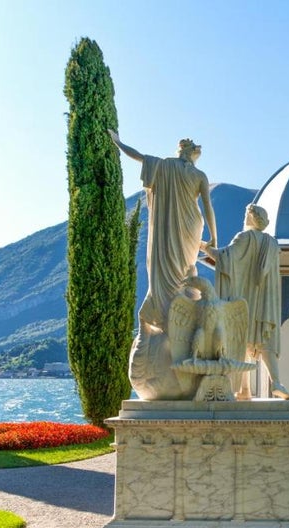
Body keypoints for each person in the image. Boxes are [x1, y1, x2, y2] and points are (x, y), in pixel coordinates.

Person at [109, 130, 218, 399]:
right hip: (192, 228)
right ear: (192, 154)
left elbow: (139, 157)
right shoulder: (198, 175)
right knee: (187, 274)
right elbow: (207, 208)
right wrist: (213, 238)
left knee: (172, 273)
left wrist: (119, 142)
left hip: (170, 230)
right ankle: (176, 323)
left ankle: (168, 321)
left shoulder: (164, 166)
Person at [204, 204, 289, 400]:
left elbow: (224, 258)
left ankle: (245, 389)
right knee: (264, 339)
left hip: (246, 300)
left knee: (241, 340)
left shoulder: (244, 237)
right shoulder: (272, 243)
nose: (244, 218)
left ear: (251, 218)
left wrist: (203, 247)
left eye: (246, 215)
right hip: (265, 302)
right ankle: (272, 383)